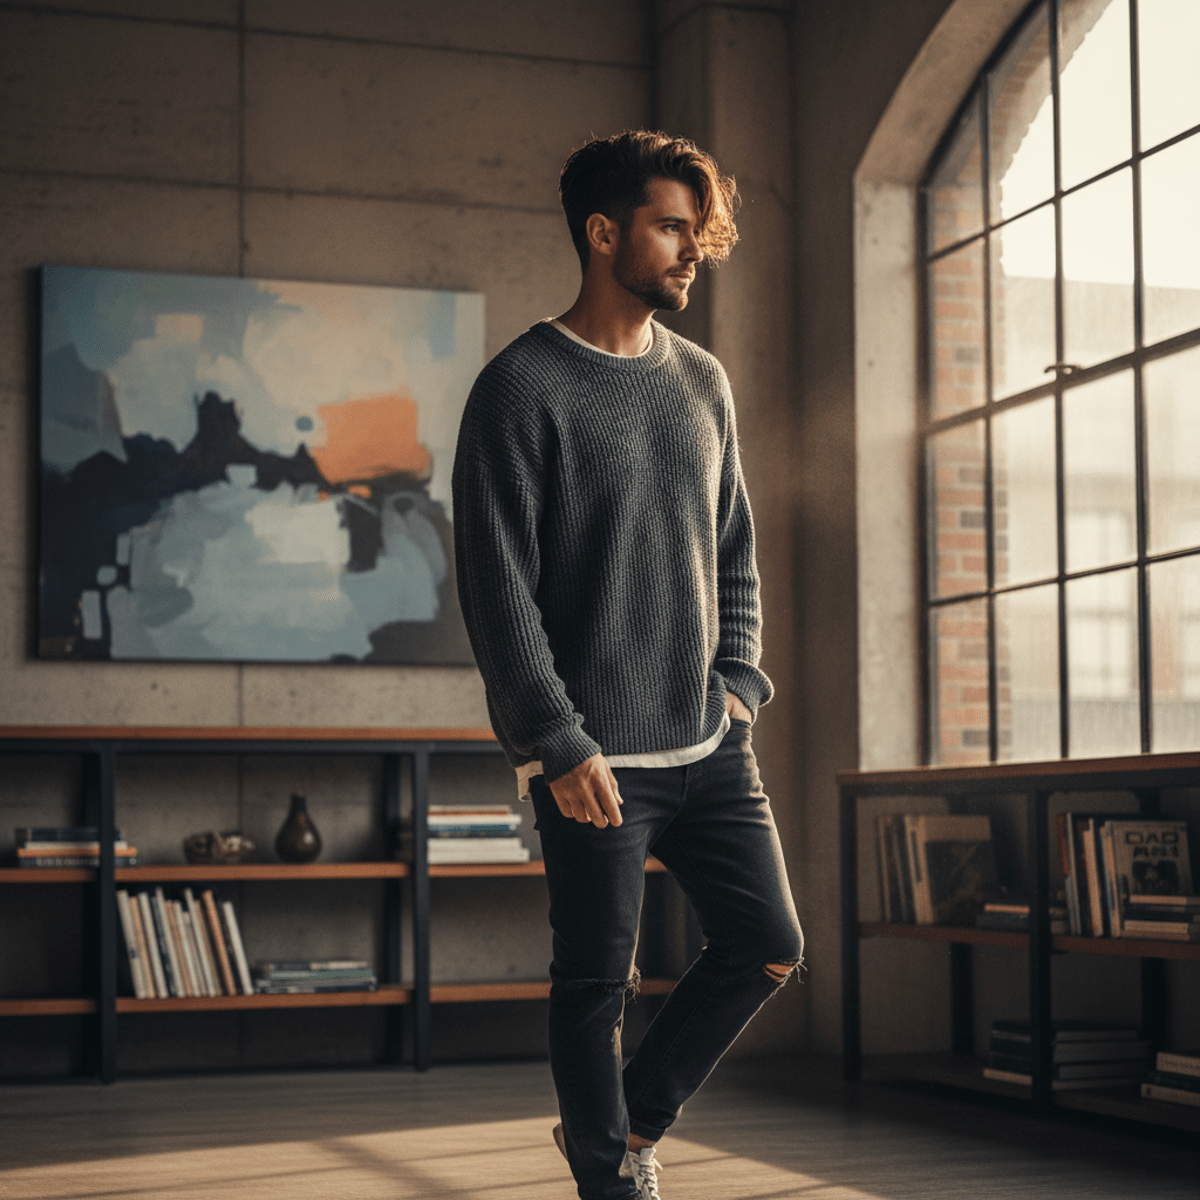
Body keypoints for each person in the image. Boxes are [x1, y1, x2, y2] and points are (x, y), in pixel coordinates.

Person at [452, 129, 803, 1200]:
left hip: (707, 740)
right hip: (591, 757)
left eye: (699, 231)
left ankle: (625, 1131)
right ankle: (609, 1182)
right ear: (604, 234)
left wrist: (739, 683)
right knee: (597, 981)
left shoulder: (703, 381)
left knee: (768, 943)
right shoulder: (519, 388)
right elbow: (497, 591)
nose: (693, 250)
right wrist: (557, 743)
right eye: (670, 227)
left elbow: (734, 545)